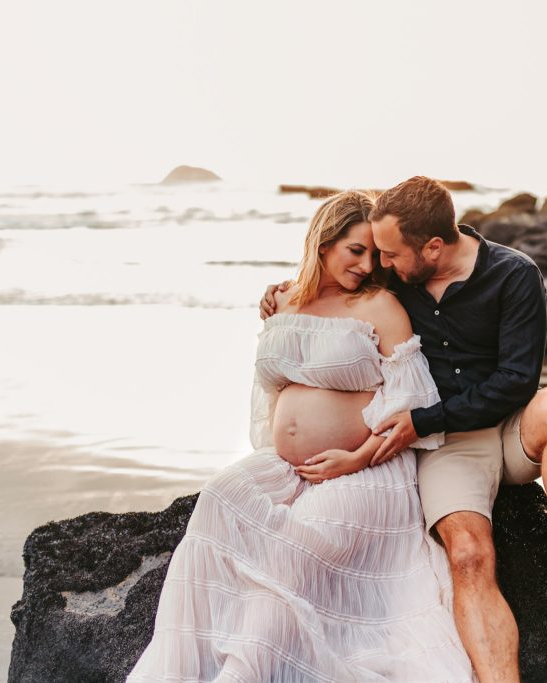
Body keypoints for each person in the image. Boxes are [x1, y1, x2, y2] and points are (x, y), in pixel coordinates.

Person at [262, 176, 547, 681]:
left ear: (433, 247)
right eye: (377, 254)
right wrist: (281, 292)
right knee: (470, 555)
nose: (379, 265)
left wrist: (420, 420)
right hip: (448, 446)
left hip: (506, 425)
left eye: (389, 254)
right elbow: (335, 280)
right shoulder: (396, 275)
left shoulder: (514, 274)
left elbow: (517, 380)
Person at [128, 190, 474, 682]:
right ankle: (189, 666)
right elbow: (270, 391)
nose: (366, 264)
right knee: (220, 499)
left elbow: (412, 410)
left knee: (294, 550)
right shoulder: (284, 300)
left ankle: (247, 672)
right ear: (323, 242)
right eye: (356, 251)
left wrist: (352, 460)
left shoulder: (378, 305)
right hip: (291, 467)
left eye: (375, 254)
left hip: (368, 467)